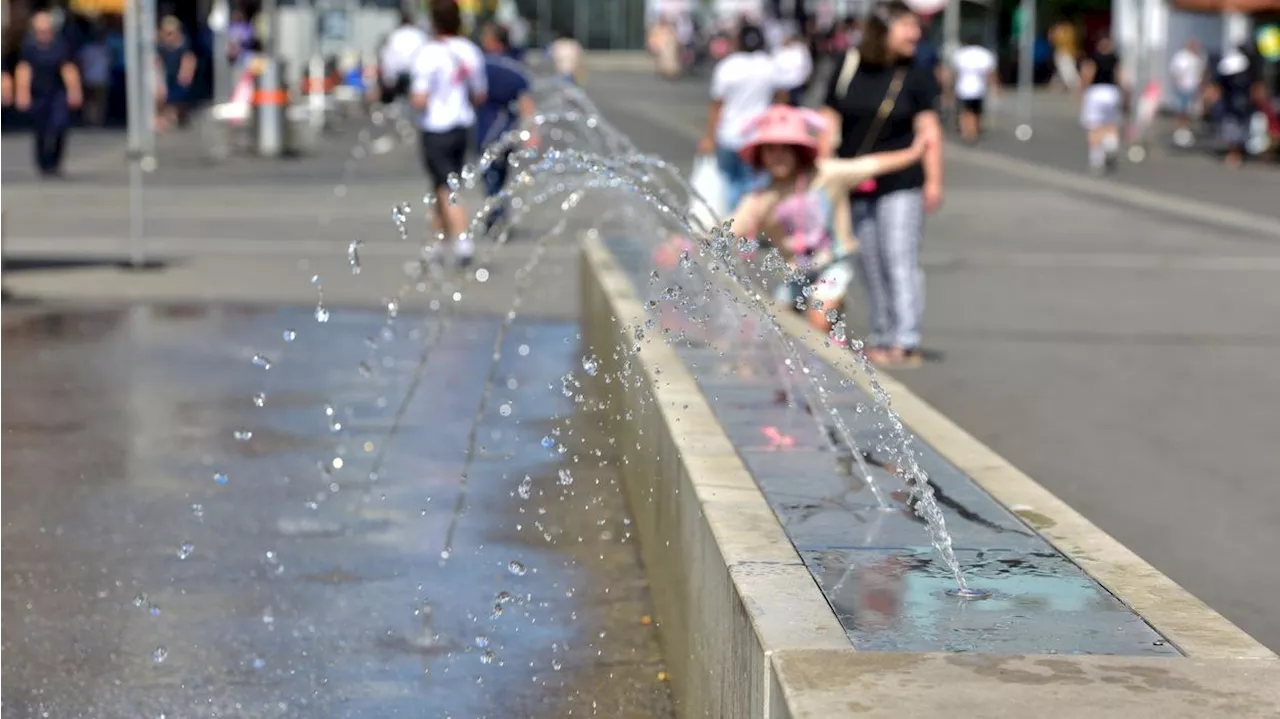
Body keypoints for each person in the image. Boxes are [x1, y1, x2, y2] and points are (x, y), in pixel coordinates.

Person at [731, 105, 928, 335]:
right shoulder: (761, 199)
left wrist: (913, 153)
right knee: (780, 325)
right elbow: (728, 227)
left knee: (819, 319)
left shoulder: (826, 175)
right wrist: (690, 241)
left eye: (786, 149)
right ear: (760, 156)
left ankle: (829, 326)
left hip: (832, 260)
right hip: (796, 269)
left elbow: (870, 164)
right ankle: (805, 363)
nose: (778, 156)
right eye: (771, 150)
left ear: (799, 151)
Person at [819, 0, 942, 368]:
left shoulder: (916, 73)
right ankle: (883, 333)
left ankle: (906, 339)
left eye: (915, 27)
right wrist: (825, 159)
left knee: (898, 257)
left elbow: (928, 130)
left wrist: (934, 180)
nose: (915, 34)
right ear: (881, 29)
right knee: (870, 259)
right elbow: (830, 114)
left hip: (902, 180)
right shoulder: (849, 65)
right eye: (906, 26)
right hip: (856, 180)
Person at [411, 0, 487, 266]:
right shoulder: (470, 51)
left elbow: (419, 98)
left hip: (436, 126)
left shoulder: (428, 53)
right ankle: (436, 243)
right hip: (462, 125)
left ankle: (463, 239)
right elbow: (480, 94)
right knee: (440, 183)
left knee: (445, 185)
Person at [699, 22, 783, 213]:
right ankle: (749, 227)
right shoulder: (769, 65)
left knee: (729, 181)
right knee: (753, 183)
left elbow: (716, 105)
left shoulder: (728, 66)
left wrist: (709, 137)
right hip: (757, 135)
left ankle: (734, 226)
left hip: (728, 133)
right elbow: (781, 97)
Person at [476, 22, 536, 232]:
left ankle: (495, 215)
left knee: (489, 175)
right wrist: (531, 133)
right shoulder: (516, 68)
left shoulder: (481, 65)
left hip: (485, 129)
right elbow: (526, 103)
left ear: (494, 41)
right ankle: (498, 213)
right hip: (508, 130)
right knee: (501, 174)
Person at [15, 11, 82, 178]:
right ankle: (43, 163)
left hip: (57, 91)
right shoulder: (29, 47)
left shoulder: (60, 45)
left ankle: (55, 162)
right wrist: (22, 92)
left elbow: (68, 69)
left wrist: (74, 91)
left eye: (46, 30)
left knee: (60, 125)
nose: (43, 33)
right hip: (38, 92)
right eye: (40, 30)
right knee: (41, 129)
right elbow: (24, 70)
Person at [1077, 34, 1124, 175]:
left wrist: (1082, 91)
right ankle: (1111, 145)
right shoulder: (1115, 59)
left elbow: (1087, 75)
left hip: (1096, 92)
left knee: (1094, 126)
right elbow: (1120, 77)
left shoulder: (1092, 59)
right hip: (1112, 91)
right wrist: (1123, 94)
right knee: (1110, 124)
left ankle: (1096, 160)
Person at [949, 35, 999, 144]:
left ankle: (966, 131)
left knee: (965, 111)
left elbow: (954, 72)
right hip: (978, 88)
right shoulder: (985, 54)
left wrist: (950, 87)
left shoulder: (960, 54)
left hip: (962, 88)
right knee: (976, 111)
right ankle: (974, 131)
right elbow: (990, 73)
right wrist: (995, 87)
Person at [154, 16, 195, 131]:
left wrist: (186, 72)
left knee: (178, 95)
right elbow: (157, 60)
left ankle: (175, 115)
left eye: (171, 33)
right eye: (167, 33)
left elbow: (189, 58)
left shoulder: (183, 44)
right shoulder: (160, 45)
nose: (169, 36)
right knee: (162, 94)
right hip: (165, 72)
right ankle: (164, 117)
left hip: (177, 72)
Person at [379, 10, 427, 106]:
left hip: (398, 74)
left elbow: (388, 56)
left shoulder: (395, 35)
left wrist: (388, 78)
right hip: (414, 73)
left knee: (398, 101)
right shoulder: (420, 35)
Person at [1168, 38, 1205, 148]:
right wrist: (1176, 84)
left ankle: (1186, 131)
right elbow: (1174, 71)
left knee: (1189, 111)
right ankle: (1180, 132)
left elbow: (1200, 72)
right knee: (1181, 110)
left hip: (1192, 87)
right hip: (1182, 87)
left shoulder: (1196, 58)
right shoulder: (1180, 57)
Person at [78, 22, 110, 127]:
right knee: (100, 101)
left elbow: (81, 62)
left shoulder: (86, 49)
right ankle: (98, 120)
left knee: (89, 100)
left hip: (89, 77)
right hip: (101, 78)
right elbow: (109, 62)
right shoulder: (104, 49)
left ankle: (89, 119)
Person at [773, 29, 813, 106]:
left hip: (797, 86)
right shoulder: (777, 51)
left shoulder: (800, 49)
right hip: (782, 88)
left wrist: (805, 79)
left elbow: (807, 66)